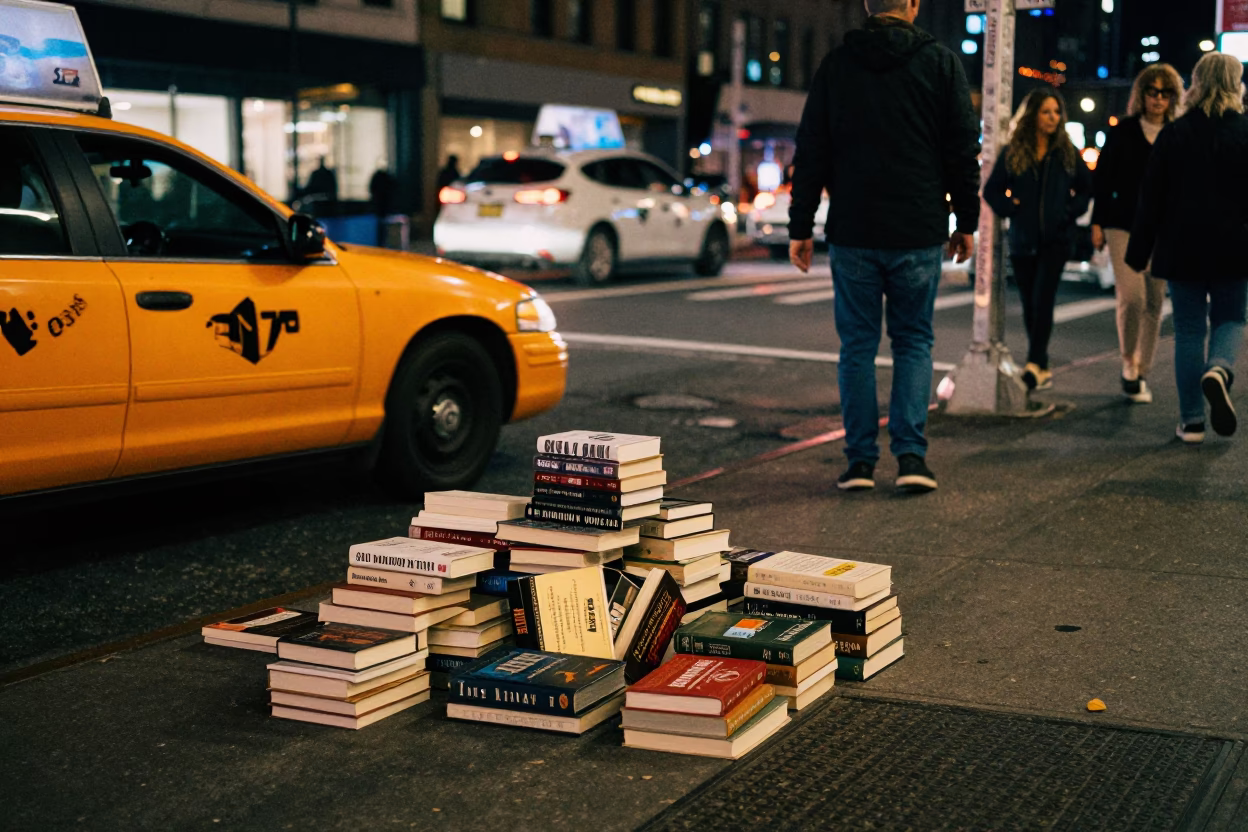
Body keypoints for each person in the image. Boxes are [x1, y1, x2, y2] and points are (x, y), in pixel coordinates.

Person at [788, 0, 980, 494]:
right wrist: (966, 219)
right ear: (912, 5)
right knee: (914, 340)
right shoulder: (939, 63)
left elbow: (812, 148)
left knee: (857, 346)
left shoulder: (837, 64)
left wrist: (801, 226)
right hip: (917, 226)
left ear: (869, 7)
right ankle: (911, 456)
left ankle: (859, 463)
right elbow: (961, 147)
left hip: (854, 228)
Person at [1126, 52, 1248, 444]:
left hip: (1182, 246)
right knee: (1230, 318)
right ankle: (1220, 368)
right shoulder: (1246, 131)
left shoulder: (1175, 134)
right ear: (1235, 84)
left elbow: (1151, 197)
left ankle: (1192, 421)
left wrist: (1138, 250)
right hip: (1234, 245)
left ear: (1194, 83)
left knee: (1189, 330)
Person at [984, 88, 1093, 392]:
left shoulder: (1067, 152)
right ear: (1033, 115)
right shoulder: (1015, 150)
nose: (1053, 118)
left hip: (1056, 240)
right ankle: (1040, 366)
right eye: (1046, 112)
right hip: (1022, 239)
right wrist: (1013, 209)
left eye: (1057, 112)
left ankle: (1034, 362)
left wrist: (1068, 212)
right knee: (1030, 302)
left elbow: (1086, 189)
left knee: (1042, 300)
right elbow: (992, 190)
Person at [1091, 64, 1184, 404]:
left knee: (1155, 300)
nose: (1158, 99)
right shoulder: (1124, 131)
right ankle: (1128, 361)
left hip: (1164, 228)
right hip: (1123, 223)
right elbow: (1103, 179)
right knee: (1132, 297)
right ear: (1141, 94)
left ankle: (1141, 370)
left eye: (1165, 93)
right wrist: (1097, 223)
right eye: (1152, 91)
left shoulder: (1177, 133)